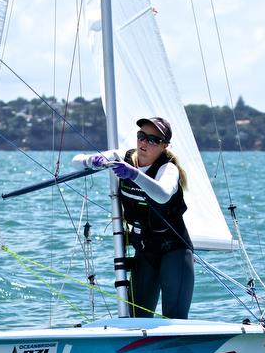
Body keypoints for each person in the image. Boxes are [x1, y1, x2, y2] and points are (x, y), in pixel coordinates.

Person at [72, 117, 194, 319]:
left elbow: (163, 194)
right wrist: (91, 161)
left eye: (153, 140)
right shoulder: (123, 157)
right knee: (138, 318)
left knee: (175, 319)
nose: (144, 143)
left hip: (174, 250)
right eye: (142, 136)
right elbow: (75, 161)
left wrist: (134, 175)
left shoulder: (168, 169)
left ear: (164, 146)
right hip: (144, 250)